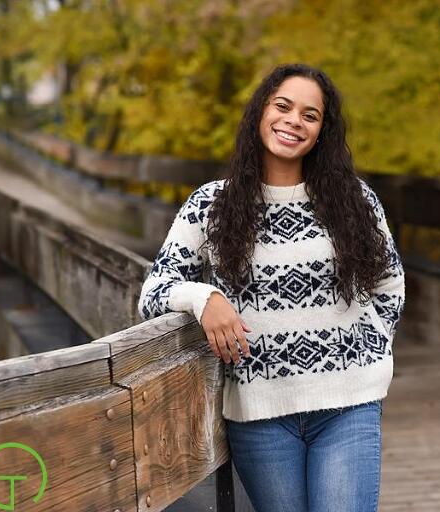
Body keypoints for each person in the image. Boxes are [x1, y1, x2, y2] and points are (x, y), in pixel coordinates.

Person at [137, 63, 405, 512]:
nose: (293, 121)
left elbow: (389, 285)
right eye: (283, 106)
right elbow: (154, 291)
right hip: (261, 414)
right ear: (260, 112)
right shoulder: (211, 205)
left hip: (348, 405)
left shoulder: (355, 200)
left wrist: (371, 350)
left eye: (310, 114)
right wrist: (205, 298)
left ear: (322, 131)